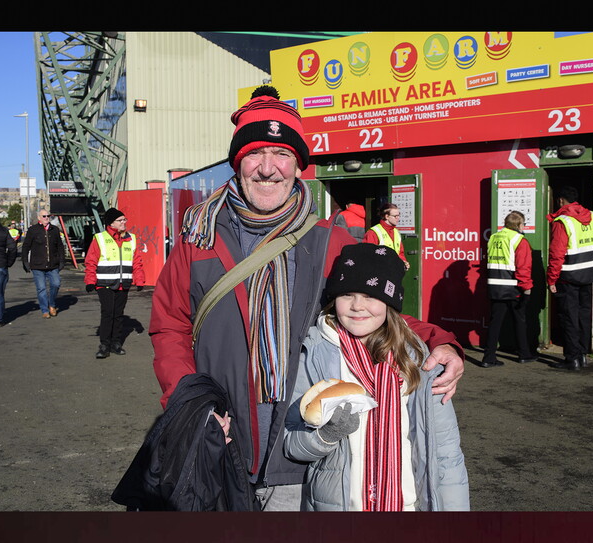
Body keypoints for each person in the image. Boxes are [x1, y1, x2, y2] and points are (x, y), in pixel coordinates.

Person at [148, 85, 465, 511]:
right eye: (254, 154)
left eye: (281, 154)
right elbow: (170, 327)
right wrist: (190, 404)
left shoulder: (328, 241)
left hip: (299, 456)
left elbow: (371, 311)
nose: (267, 168)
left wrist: (440, 340)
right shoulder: (198, 238)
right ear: (237, 163)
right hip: (219, 443)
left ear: (298, 165)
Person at [282, 243, 471, 511]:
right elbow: (291, 443)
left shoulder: (421, 363)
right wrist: (325, 436)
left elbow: (446, 455)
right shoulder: (313, 357)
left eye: (370, 295)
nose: (357, 306)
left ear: (390, 302)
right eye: (347, 294)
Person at [546, 186, 593, 370]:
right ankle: (583, 356)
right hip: (589, 273)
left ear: (561, 200)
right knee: (584, 315)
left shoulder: (563, 221)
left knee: (569, 317)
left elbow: (556, 253)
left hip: (568, 276)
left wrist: (552, 279)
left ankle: (572, 359)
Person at [84, 208, 146, 359]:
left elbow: (137, 262)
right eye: (120, 220)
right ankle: (104, 345)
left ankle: (116, 343)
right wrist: (90, 281)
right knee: (108, 313)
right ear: (111, 223)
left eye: (124, 219)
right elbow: (91, 261)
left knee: (118, 314)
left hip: (123, 283)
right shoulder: (100, 238)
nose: (124, 222)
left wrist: (139, 280)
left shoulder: (131, 238)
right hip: (104, 283)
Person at [480, 211, 537, 367]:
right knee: (519, 320)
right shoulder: (519, 240)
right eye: (523, 223)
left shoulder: (493, 238)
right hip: (513, 287)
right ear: (518, 225)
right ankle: (524, 354)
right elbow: (523, 267)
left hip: (495, 286)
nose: (524, 226)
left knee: (495, 322)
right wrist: (527, 288)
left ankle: (488, 357)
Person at [21, 209, 66, 319]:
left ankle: (52, 304)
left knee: (56, 284)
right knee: (41, 288)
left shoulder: (54, 229)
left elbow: (60, 246)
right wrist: (25, 262)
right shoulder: (33, 230)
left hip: (53, 265)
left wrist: (62, 261)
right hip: (37, 265)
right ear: (39, 218)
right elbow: (26, 247)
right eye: (44, 216)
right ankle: (45, 310)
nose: (46, 218)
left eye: (48, 216)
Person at [364, 202, 410, 271]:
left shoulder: (396, 232)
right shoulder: (373, 232)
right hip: (379, 272)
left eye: (398, 215)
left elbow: (400, 253)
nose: (398, 218)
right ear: (387, 216)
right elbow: (368, 255)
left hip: (393, 272)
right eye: (395, 216)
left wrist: (403, 262)